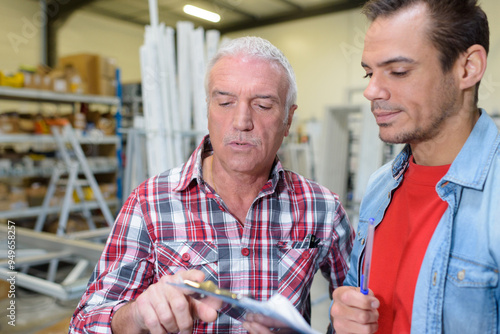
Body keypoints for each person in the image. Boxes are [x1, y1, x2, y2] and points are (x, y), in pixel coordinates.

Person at [69, 36, 354, 333]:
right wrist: (138, 316)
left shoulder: (322, 208)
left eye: (263, 105)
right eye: (225, 102)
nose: (241, 121)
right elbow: (83, 324)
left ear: (288, 120)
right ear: (208, 109)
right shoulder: (149, 203)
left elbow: (359, 310)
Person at [331, 0, 500, 333]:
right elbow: (354, 289)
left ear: (467, 68)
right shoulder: (381, 186)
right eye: (369, 72)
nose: (371, 91)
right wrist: (344, 316)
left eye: (398, 71)